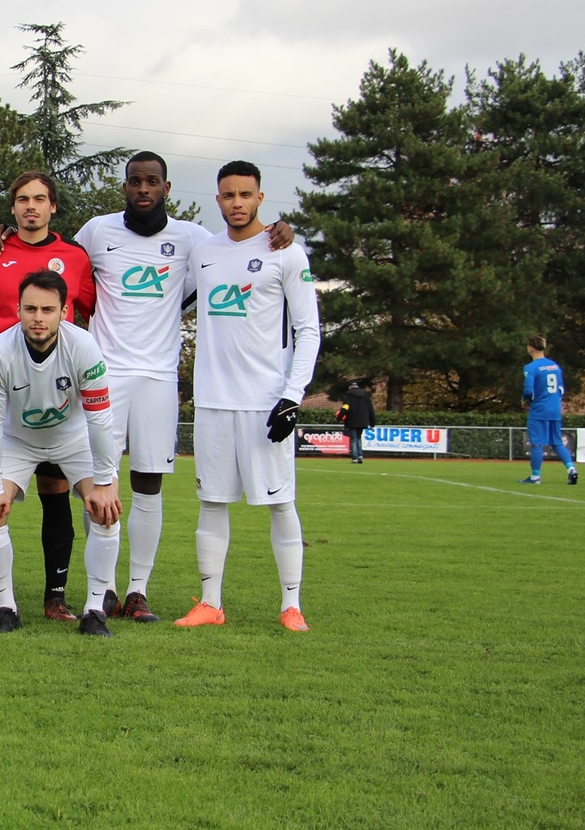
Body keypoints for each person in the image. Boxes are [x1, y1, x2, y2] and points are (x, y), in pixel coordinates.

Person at [73, 152, 293, 622]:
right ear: (125, 187)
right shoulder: (95, 231)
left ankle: (137, 591)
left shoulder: (192, 239)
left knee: (148, 485)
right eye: (136, 181)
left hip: (158, 377)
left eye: (152, 181)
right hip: (105, 377)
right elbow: (58, 263)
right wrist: (4, 232)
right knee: (100, 483)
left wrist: (279, 230)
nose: (144, 189)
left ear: (166, 188)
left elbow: (238, 249)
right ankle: (102, 589)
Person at [178, 161, 319, 633]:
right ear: (217, 199)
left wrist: (292, 396)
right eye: (228, 195)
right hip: (213, 401)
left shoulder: (286, 252)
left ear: (260, 197)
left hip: (266, 403)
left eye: (245, 194)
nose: (236, 202)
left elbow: (308, 330)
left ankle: (291, 605)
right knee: (211, 502)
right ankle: (210, 603)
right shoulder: (204, 251)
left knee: (281, 503)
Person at [0, 171, 96, 624]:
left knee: (55, 492)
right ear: (12, 207)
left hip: (55, 394)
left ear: (53, 206)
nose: (31, 207)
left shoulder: (75, 257)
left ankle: (55, 597)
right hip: (0, 390)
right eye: (22, 199)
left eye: (40, 199)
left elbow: (94, 311)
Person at [0, 270, 121, 635]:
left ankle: (94, 611)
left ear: (64, 312)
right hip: (17, 440)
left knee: (105, 510)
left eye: (48, 310)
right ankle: (6, 608)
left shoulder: (83, 346)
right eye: (31, 309)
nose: (38, 317)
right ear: (18, 311)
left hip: (73, 438)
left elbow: (100, 419)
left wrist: (105, 482)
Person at [520, 336, 578, 485]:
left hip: (539, 410)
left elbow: (528, 390)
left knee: (536, 443)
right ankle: (571, 469)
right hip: (555, 409)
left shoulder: (530, 367)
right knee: (557, 442)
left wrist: (525, 399)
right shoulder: (554, 366)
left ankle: (535, 477)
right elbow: (561, 389)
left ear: (531, 348)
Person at [338, 381, 375, 465]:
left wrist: (339, 417)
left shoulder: (348, 396)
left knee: (353, 439)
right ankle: (360, 455)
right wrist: (372, 423)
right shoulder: (365, 396)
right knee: (358, 438)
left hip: (352, 420)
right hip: (363, 421)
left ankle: (355, 457)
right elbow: (371, 409)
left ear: (350, 388)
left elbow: (345, 408)